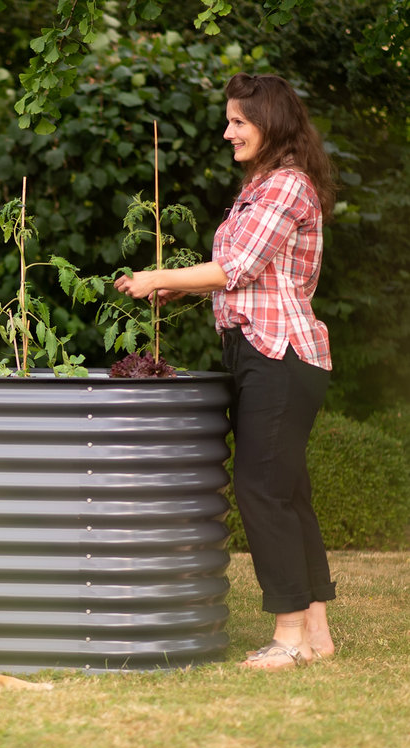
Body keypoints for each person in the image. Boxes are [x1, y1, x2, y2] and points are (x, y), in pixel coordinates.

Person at [113, 72, 337, 671]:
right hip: (257, 350)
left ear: (270, 121)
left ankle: (287, 636)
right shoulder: (261, 186)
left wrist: (158, 277)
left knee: (262, 489)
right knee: (287, 489)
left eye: (238, 120)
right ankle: (315, 630)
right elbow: (238, 277)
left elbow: (233, 267)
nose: (226, 131)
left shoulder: (287, 186)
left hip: (280, 352)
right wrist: (175, 289)